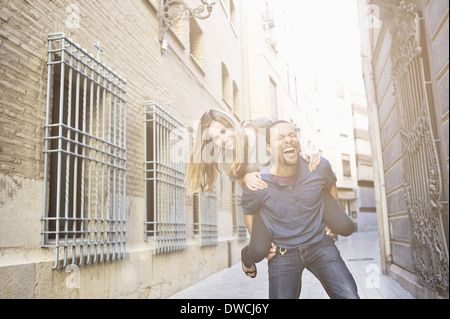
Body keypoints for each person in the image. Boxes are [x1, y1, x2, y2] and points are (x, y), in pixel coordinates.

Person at [185, 109, 354, 278]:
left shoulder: (260, 126)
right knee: (259, 249)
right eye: (215, 138)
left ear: (231, 124)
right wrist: (246, 176)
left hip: (301, 188)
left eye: (223, 131)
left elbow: (286, 136)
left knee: (345, 226)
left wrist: (306, 151)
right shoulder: (228, 160)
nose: (222, 140)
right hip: (272, 200)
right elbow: (250, 197)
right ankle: (247, 257)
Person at [241, 120, 359, 299]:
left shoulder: (318, 166)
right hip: (283, 253)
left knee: (350, 296)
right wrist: (260, 244)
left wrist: (332, 221)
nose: (288, 140)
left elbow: (331, 185)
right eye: (280, 138)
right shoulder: (259, 182)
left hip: (320, 245)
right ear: (268, 148)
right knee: (257, 250)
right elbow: (248, 210)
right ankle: (247, 255)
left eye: (292, 135)